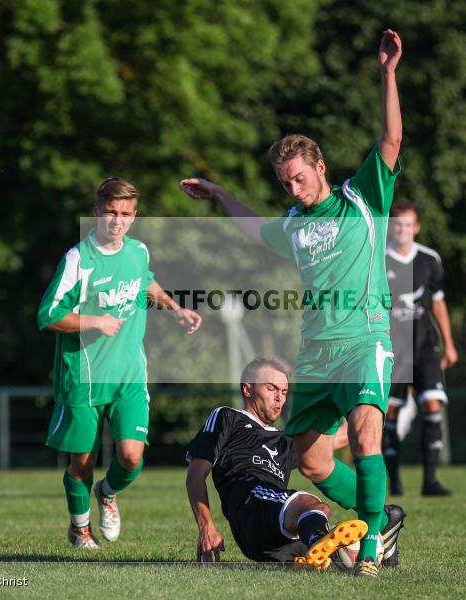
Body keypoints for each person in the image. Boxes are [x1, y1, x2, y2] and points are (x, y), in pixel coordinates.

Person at [180, 29, 404, 577]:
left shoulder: (362, 198)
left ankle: (371, 546)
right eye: (286, 184)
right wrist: (219, 194)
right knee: (310, 458)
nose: (295, 189)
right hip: (317, 352)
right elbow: (255, 231)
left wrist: (388, 75)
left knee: (366, 433)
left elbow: (391, 139)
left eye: (300, 179)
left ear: (320, 167)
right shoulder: (294, 225)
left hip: (364, 340)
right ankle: (384, 518)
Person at [37, 177, 202, 549]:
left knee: (130, 456)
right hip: (84, 377)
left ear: (134, 216)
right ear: (96, 211)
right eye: (110, 212)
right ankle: (80, 530)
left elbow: (146, 284)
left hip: (129, 375)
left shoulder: (139, 251)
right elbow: (47, 315)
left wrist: (175, 308)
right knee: (81, 463)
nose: (117, 220)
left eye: (126, 214)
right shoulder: (78, 259)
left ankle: (107, 492)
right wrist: (95, 321)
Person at [185, 357, 406, 569]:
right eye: (271, 388)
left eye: (284, 392)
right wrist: (207, 527)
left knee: (344, 550)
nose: (279, 398)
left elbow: (342, 436)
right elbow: (195, 474)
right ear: (247, 389)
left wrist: (370, 400)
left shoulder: (286, 440)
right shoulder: (227, 417)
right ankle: (321, 541)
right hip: (250, 504)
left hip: (276, 535)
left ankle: (374, 540)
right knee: (313, 506)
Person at [383, 201, 458, 497]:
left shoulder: (429, 259)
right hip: (392, 349)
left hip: (425, 345)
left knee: (433, 404)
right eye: (397, 224)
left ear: (417, 227)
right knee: (389, 412)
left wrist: (449, 343)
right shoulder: (378, 260)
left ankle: (430, 481)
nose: (402, 229)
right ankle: (394, 483)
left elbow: (438, 303)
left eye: (408, 224)